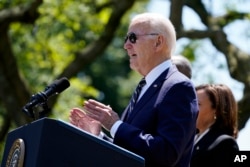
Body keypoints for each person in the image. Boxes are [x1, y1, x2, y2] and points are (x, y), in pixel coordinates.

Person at [70, 13, 198, 167]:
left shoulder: (178, 86)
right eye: (126, 39)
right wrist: (98, 136)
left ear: (158, 42)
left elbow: (166, 153)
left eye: (132, 38)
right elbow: (131, 153)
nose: (126, 46)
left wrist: (115, 125)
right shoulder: (144, 87)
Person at [190, 83, 239, 167]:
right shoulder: (190, 140)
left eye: (198, 104)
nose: (191, 109)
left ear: (217, 110)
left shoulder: (225, 144)